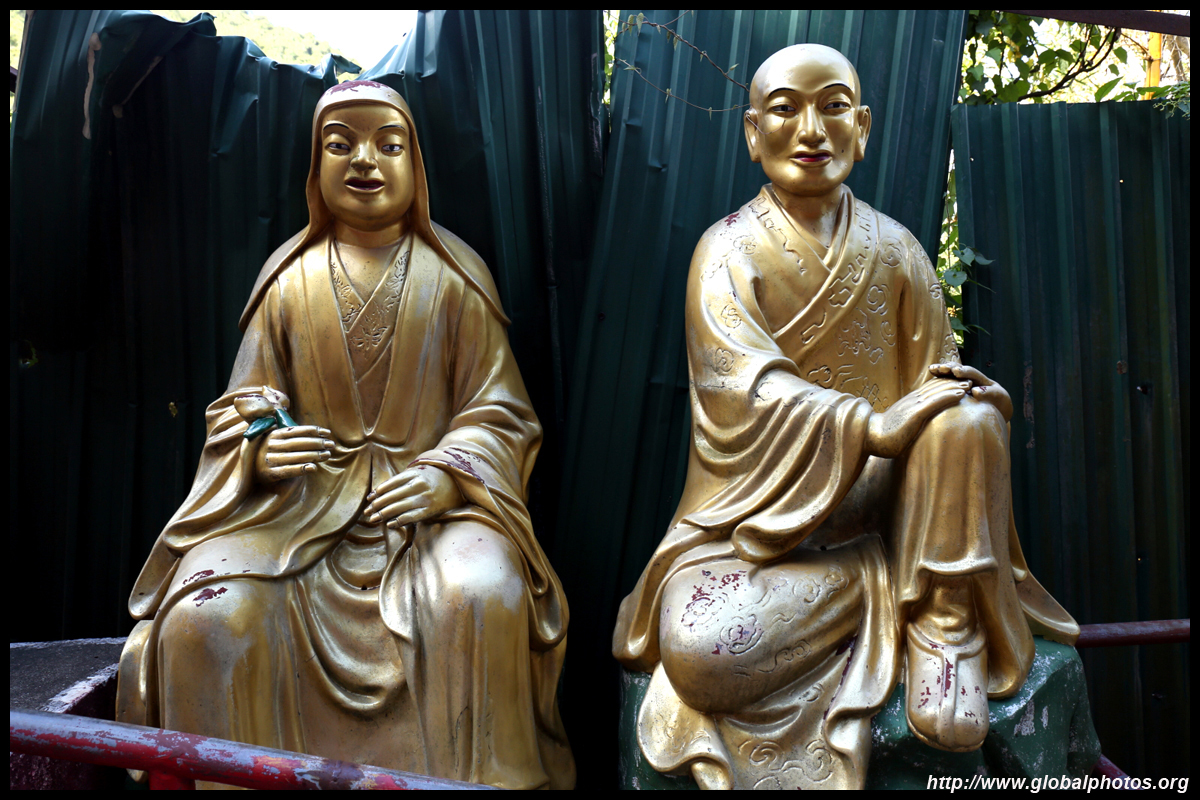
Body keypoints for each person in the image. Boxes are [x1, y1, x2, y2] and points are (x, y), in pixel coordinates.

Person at [612, 45, 1076, 790]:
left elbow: (939, 382)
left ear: (861, 128)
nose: (810, 131)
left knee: (966, 417)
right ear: (753, 133)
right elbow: (742, 394)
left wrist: (970, 404)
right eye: (785, 111)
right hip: (756, 545)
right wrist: (870, 428)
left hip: (897, 524)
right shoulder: (725, 252)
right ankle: (884, 590)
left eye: (832, 108)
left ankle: (943, 622)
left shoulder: (897, 251)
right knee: (698, 649)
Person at [116, 80, 574, 790]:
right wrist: (259, 451)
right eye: (341, 145)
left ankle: (480, 778)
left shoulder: (454, 278)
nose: (364, 160)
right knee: (206, 615)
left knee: (484, 591)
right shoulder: (287, 280)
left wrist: (449, 473)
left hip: (423, 515)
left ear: (415, 165)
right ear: (315, 166)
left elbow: (500, 411)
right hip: (298, 511)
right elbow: (242, 408)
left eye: (388, 145)